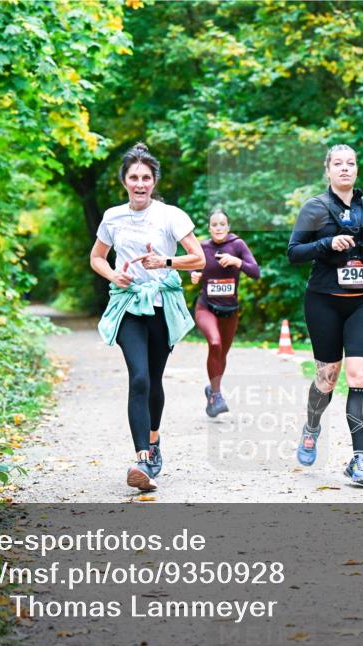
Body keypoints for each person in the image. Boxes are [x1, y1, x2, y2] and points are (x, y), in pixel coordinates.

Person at [91, 142, 206, 491]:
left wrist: (165, 262)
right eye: (133, 177)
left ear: (154, 181)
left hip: (161, 306)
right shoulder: (113, 217)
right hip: (129, 304)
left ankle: (154, 442)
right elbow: (97, 257)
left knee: (154, 379)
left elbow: (199, 258)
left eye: (146, 177)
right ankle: (142, 459)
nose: (139, 184)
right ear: (124, 181)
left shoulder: (171, 215)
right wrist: (113, 275)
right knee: (138, 377)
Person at [286, 144, 363, 488]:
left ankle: (360, 460)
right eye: (338, 164)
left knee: (359, 377)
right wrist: (326, 245)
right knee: (327, 378)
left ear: (356, 169)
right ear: (327, 170)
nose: (345, 169)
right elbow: (294, 253)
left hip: (362, 300)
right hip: (324, 301)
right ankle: (312, 426)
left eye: (351, 163)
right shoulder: (315, 208)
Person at [190, 208, 260, 417]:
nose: (218, 228)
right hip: (206, 307)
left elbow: (255, 272)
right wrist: (193, 273)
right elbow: (189, 264)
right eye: (214, 224)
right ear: (209, 228)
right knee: (215, 343)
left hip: (230, 310)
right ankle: (217, 395)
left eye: (222, 224)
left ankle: (212, 390)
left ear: (228, 227)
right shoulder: (203, 247)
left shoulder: (237, 245)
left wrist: (237, 261)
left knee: (221, 354)